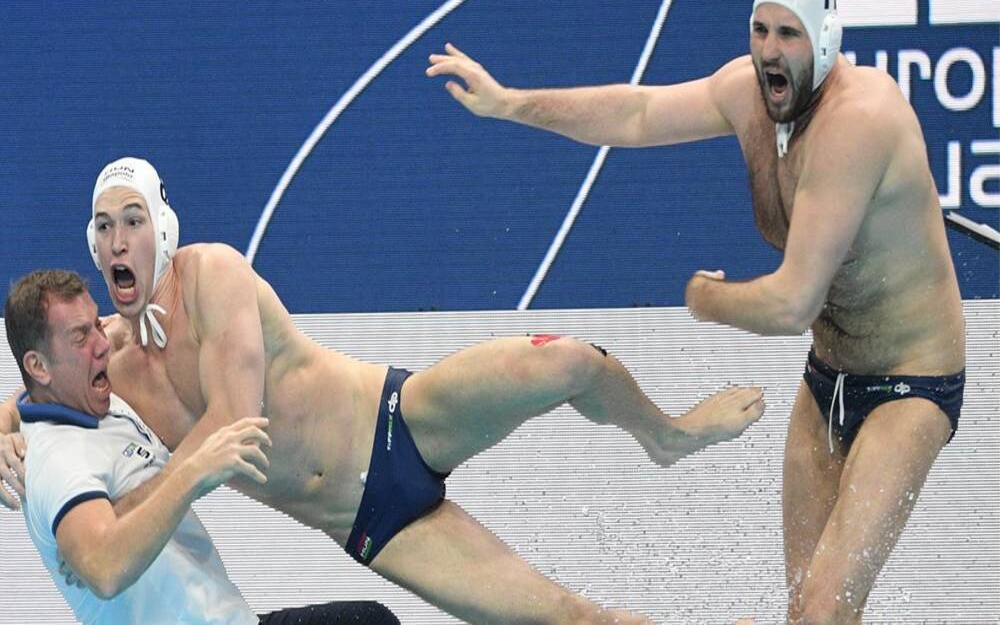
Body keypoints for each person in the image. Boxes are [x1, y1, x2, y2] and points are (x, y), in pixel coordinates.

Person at [0, 154, 764, 623]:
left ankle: (667, 435)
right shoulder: (114, 357)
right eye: (102, 227)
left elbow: (238, 420)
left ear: (162, 228)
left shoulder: (215, 275)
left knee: (569, 360)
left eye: (131, 219)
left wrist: (132, 499)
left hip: (400, 419)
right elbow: (40, 366)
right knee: (568, 618)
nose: (116, 239)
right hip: (369, 524)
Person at [426, 0, 967, 622]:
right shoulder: (748, 94)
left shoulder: (858, 122)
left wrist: (708, 300)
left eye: (788, 34)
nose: (770, 50)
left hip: (911, 381)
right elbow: (636, 113)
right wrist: (512, 103)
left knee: (825, 611)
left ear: (825, 41)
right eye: (761, 30)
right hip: (830, 377)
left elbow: (793, 302)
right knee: (806, 613)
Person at [0, 271, 399, 625]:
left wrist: (4, 417)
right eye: (81, 336)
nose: (102, 343)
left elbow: (30, 398)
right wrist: (193, 470)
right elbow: (104, 569)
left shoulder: (78, 393)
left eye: (96, 324)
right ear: (38, 365)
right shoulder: (57, 462)